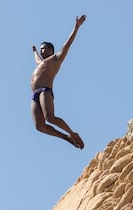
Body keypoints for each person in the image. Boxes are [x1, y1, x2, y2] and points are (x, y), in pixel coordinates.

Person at [30, 15, 86, 149]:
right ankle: (66, 138)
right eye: (41, 48)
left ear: (51, 50)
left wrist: (76, 27)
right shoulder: (41, 63)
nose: (42, 50)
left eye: (44, 48)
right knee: (39, 126)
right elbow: (37, 58)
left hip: (45, 90)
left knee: (50, 117)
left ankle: (72, 133)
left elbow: (68, 43)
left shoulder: (55, 59)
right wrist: (34, 51)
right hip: (35, 94)